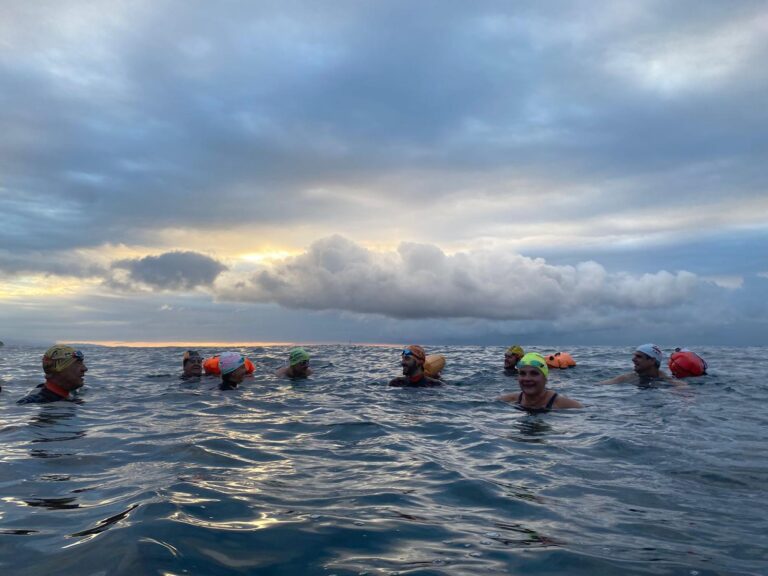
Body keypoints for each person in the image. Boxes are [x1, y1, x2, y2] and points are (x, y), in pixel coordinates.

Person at [499, 352, 582, 412]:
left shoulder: (565, 405)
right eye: (523, 373)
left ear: (545, 378)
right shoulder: (510, 399)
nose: (527, 378)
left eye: (534, 373)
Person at [18, 345, 88, 404]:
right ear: (58, 369)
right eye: (77, 363)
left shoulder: (71, 393)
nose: (85, 368)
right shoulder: (31, 402)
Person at [598, 343, 686, 387]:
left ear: (652, 360)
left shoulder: (670, 382)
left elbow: (684, 390)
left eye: (639, 356)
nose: (633, 359)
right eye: (634, 356)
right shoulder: (626, 378)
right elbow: (598, 386)